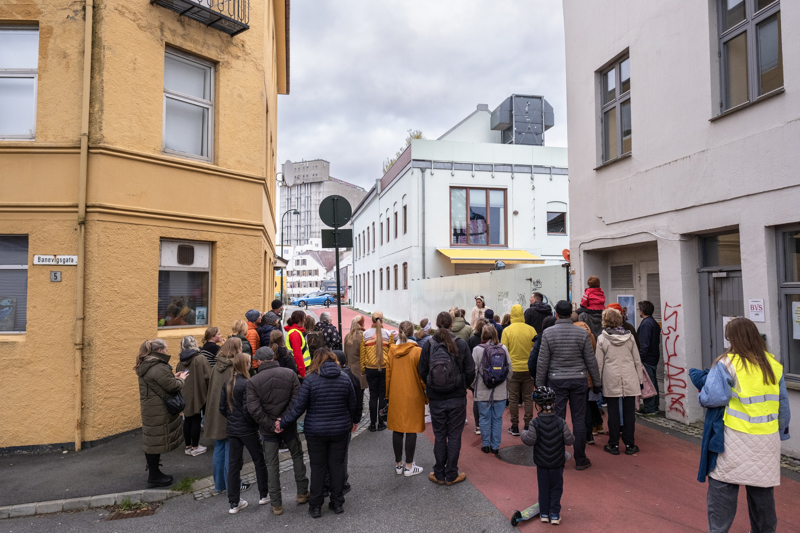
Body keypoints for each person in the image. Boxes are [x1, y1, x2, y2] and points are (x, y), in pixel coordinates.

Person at [699, 317, 790, 533]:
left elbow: (714, 397)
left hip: (733, 438)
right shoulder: (773, 365)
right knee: (762, 495)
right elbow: (783, 406)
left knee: (722, 490)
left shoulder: (727, 363)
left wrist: (701, 394)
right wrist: (780, 433)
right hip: (766, 440)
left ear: (732, 338)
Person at [276, 348, 358, 518]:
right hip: (340, 430)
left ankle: (316, 506)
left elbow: (299, 408)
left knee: (318, 467)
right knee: (337, 466)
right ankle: (337, 503)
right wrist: (353, 421)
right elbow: (353, 404)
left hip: (316, 431)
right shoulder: (344, 378)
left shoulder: (310, 380)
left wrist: (283, 423)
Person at [536, 300, 601, 471]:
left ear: (556, 314)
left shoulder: (548, 333)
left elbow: (543, 362)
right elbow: (591, 360)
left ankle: (558, 457)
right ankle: (580, 458)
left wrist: (539, 385)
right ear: (571, 314)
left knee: (558, 418)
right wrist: (597, 382)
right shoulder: (582, 333)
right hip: (579, 380)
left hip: (556, 380)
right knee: (579, 419)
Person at [247, 347, 309, 516]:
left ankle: (276, 504)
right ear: (272, 357)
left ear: (260, 361)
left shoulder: (253, 381)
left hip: (268, 430)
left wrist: (271, 424)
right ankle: (302, 492)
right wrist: (284, 420)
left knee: (272, 464)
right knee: (297, 456)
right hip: (288, 426)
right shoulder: (290, 374)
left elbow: (254, 409)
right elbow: (297, 400)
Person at [418, 312, 476, 486]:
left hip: (436, 398)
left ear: (436, 325)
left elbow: (422, 370)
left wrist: (432, 384)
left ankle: (439, 473)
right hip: (457, 397)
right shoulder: (461, 344)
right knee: (455, 435)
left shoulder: (429, 344)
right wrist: (462, 385)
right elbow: (470, 371)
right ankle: (451, 474)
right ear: (451, 325)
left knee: (440, 435)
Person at [220, 352, 269, 514]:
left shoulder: (227, 383)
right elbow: (249, 409)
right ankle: (264, 495)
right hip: (247, 430)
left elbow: (222, 408)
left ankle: (234, 502)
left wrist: (233, 419)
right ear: (245, 365)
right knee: (259, 461)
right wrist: (252, 424)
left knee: (234, 465)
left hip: (232, 430)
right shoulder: (248, 383)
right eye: (249, 363)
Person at [135, 339, 187, 488]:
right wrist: (181, 379)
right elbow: (172, 387)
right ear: (159, 350)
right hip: (159, 409)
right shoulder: (158, 366)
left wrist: (173, 377)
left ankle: (155, 474)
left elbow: (160, 382)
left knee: (152, 440)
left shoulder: (147, 364)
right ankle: (154, 477)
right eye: (166, 349)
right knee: (154, 442)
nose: (167, 351)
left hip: (151, 408)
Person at [521, 387, 575, 526]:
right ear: (554, 404)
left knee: (543, 487)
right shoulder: (560, 422)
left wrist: (523, 433)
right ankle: (555, 514)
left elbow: (530, 441)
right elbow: (569, 440)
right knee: (556, 488)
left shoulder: (535, 423)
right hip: (557, 462)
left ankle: (544, 513)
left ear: (538, 406)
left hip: (542, 463)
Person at [596, 308, 642, 456]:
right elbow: (637, 360)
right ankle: (629, 444)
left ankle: (613, 444)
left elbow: (599, 363)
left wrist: (597, 382)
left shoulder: (602, 338)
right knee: (629, 412)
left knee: (613, 412)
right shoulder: (629, 337)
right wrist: (640, 379)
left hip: (611, 377)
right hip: (630, 376)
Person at [386, 321, 426, 477]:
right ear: (412, 332)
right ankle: (409, 466)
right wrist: (426, 394)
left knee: (397, 428)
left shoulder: (392, 351)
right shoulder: (417, 351)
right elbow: (422, 377)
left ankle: (398, 464)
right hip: (413, 394)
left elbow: (388, 376)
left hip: (396, 393)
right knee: (411, 429)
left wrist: (388, 395)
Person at [205, 338, 240, 493]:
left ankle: (219, 484)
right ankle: (233, 484)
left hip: (216, 412)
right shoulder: (233, 368)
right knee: (231, 450)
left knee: (219, 447)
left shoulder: (216, 366)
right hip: (229, 412)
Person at [472, 325, 511, 454]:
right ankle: (495, 446)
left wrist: (473, 385)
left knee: (484, 418)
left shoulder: (477, 349)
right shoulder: (503, 348)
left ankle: (485, 444)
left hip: (482, 390)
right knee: (497, 419)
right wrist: (505, 383)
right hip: (500, 391)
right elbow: (509, 369)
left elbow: (474, 370)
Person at [501, 304, 537, 436]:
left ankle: (514, 426)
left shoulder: (507, 330)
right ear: (522, 314)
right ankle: (528, 425)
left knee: (513, 399)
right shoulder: (531, 329)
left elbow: (503, 350)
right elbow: (535, 349)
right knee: (528, 398)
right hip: (528, 369)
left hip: (513, 370)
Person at [332, 349, 363, 492]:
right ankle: (342, 482)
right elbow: (358, 402)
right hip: (346, 421)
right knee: (342, 454)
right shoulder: (353, 378)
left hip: (330, 421)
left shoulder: (327, 377)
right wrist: (355, 420)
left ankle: (329, 482)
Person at [176, 335, 211, 457]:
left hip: (184, 394)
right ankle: (195, 447)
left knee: (187, 419)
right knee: (196, 418)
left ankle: (188, 446)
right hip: (199, 394)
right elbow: (208, 377)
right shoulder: (200, 359)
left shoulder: (180, 362)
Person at [360, 311, 394, 431]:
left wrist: (363, 369)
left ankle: (372, 423)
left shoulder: (365, 334)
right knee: (382, 395)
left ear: (372, 320)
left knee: (373, 395)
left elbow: (362, 354)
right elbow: (392, 354)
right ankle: (381, 422)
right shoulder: (388, 334)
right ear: (382, 319)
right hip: (384, 368)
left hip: (370, 368)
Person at [572, 319, 603, 444]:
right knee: (590, 402)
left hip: (578, 373)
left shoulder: (574, 333)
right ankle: (597, 426)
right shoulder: (590, 333)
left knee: (583, 406)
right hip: (589, 373)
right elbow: (593, 354)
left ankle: (589, 431)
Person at [637, 300, 662, 415]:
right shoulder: (653, 322)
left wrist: (640, 358)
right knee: (652, 382)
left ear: (642, 311)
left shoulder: (646, 324)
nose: (639, 311)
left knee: (648, 383)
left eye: (639, 309)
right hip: (653, 356)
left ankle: (650, 408)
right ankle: (654, 406)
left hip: (647, 358)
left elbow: (644, 344)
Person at [344, 315, 367, 391]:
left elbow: (345, 353)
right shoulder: (363, 336)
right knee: (360, 392)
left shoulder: (347, 336)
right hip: (360, 371)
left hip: (349, 370)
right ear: (361, 324)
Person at [285, 310, 310, 378]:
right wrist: (302, 373)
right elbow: (297, 354)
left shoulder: (294, 332)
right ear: (300, 320)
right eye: (304, 318)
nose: (305, 321)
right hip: (301, 368)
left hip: (299, 366)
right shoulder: (295, 334)